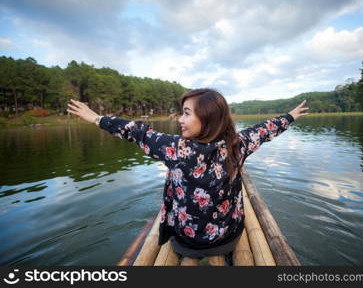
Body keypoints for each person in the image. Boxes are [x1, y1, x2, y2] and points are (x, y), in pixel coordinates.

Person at [67, 88, 309, 266]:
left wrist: (97, 118)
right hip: (228, 238)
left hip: (187, 242)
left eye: (186, 113)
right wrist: (290, 116)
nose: (180, 120)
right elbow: (265, 130)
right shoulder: (238, 145)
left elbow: (137, 132)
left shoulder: (175, 148)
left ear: (207, 117)